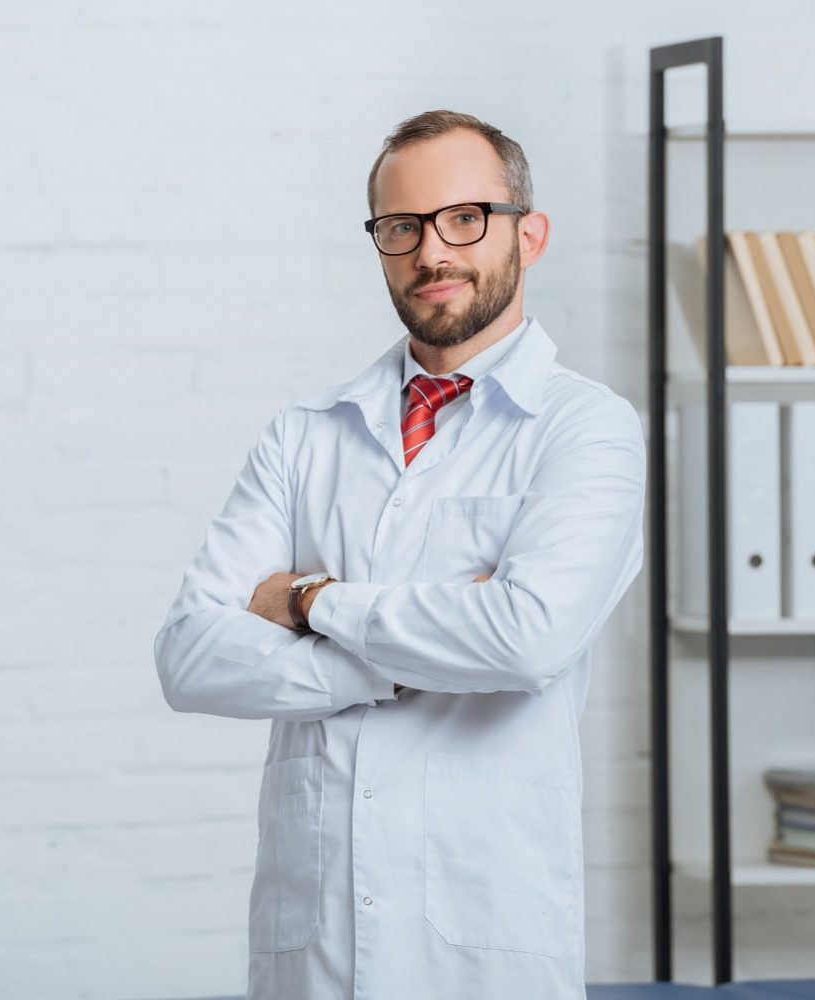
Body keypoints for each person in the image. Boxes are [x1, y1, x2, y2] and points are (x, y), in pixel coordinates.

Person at [154, 109, 646, 1000]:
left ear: (527, 234)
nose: (433, 253)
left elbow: (525, 641)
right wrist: (414, 660)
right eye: (401, 227)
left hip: (488, 940)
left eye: (466, 218)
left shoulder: (587, 429)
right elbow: (190, 658)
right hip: (314, 949)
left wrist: (310, 603)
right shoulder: (304, 435)